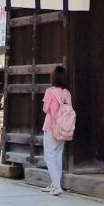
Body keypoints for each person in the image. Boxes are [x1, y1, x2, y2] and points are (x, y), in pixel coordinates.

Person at [41, 65, 71, 196]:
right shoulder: (67, 93)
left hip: (51, 127)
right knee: (58, 156)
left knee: (49, 156)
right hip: (64, 128)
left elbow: (45, 109)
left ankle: (57, 186)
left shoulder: (50, 91)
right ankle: (54, 184)